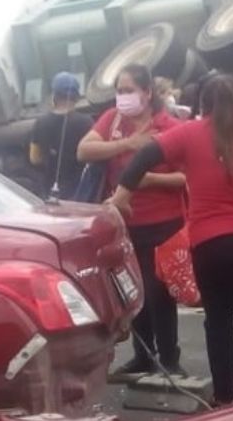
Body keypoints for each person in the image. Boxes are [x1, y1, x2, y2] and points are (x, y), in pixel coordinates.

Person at [106, 75, 233, 404]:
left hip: (212, 244)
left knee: (218, 320)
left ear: (202, 106)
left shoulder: (189, 133)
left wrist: (122, 195)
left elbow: (143, 157)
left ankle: (223, 398)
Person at [77, 64, 188, 376]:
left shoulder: (168, 125)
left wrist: (147, 178)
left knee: (158, 293)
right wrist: (127, 145)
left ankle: (169, 357)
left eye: (128, 90)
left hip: (164, 222)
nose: (122, 97)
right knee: (132, 292)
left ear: (147, 92)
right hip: (124, 222)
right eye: (119, 91)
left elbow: (186, 176)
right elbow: (83, 150)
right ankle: (143, 354)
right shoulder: (113, 120)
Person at [29, 72, 93, 199]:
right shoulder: (86, 122)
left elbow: (34, 158)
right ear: (76, 97)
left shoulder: (40, 122)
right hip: (78, 191)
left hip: (49, 190)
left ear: (54, 96)